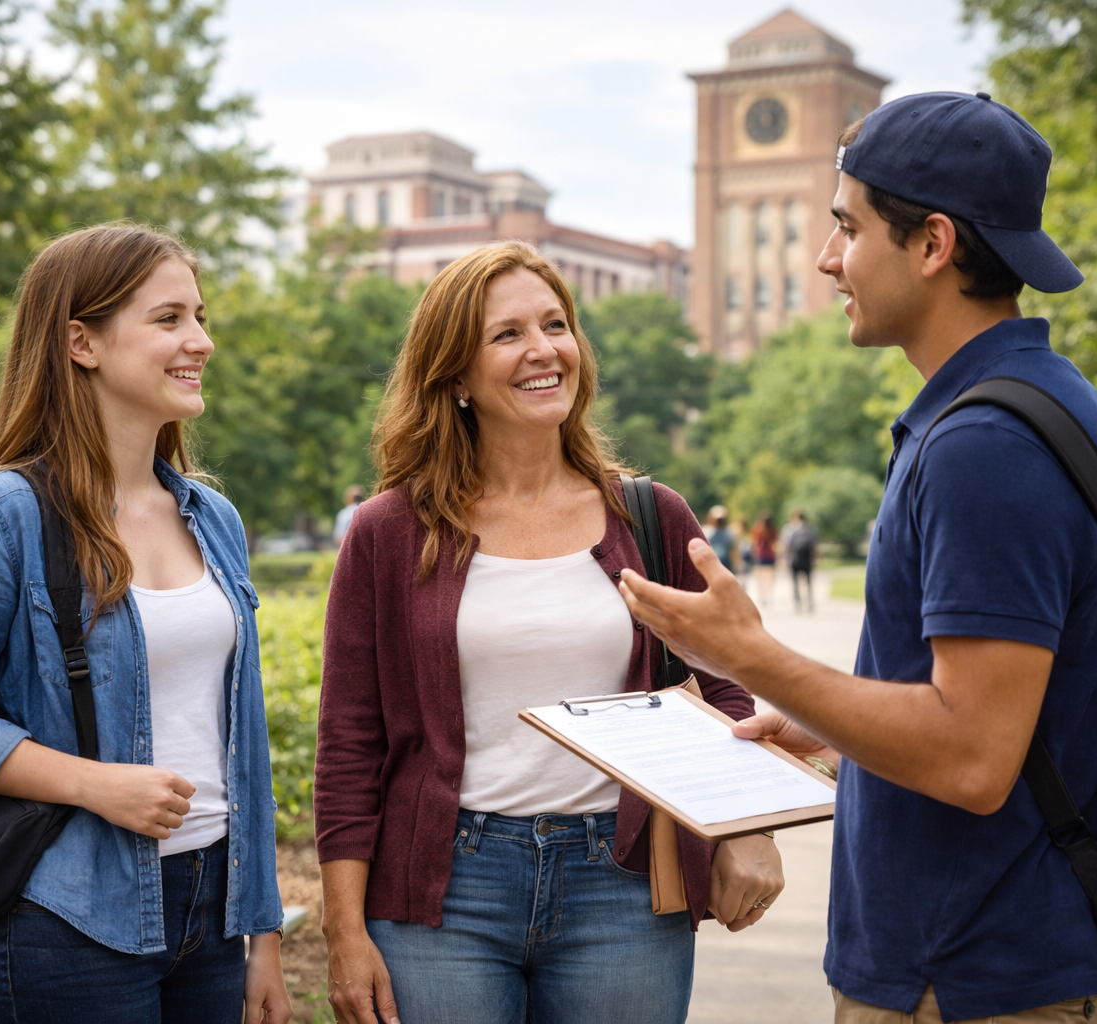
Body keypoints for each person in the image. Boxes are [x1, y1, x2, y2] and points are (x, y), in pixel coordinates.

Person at [618, 93, 1097, 1024]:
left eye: (848, 228)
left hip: (970, 974)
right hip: (985, 962)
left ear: (934, 244)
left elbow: (975, 755)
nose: (827, 259)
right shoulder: (1045, 405)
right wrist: (830, 727)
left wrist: (751, 656)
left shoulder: (987, 446)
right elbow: (1012, 704)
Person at [314, 241, 784, 1024]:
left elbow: (734, 685)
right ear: (455, 374)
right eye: (507, 335)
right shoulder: (388, 532)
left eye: (556, 325)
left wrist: (749, 828)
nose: (543, 351)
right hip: (443, 894)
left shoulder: (650, 517)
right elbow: (349, 744)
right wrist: (342, 930)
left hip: (623, 884)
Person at [0, 224, 290, 1024]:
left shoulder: (212, 516)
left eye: (201, 316)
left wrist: (263, 937)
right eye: (169, 319)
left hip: (209, 920)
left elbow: (242, 739)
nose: (201, 341)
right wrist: (96, 785)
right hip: (63, 917)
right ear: (82, 342)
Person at [784, 510, 819, 613]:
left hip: (794, 559)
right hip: (806, 559)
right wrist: (816, 559)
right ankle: (809, 604)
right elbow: (814, 546)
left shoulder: (790, 529)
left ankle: (798, 604)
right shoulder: (810, 529)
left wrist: (785, 560)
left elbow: (787, 546)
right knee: (808, 583)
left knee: (795, 583)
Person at [749, 512, 778, 606]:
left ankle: (761, 595)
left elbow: (754, 543)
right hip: (770, 555)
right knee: (769, 578)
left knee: (759, 578)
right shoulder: (773, 530)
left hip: (760, 555)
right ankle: (768, 595)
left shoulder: (758, 529)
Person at [704, 504, 735, 572]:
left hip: (726, 563)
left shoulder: (728, 533)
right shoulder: (707, 533)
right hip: (712, 562)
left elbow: (732, 550)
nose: (719, 522)